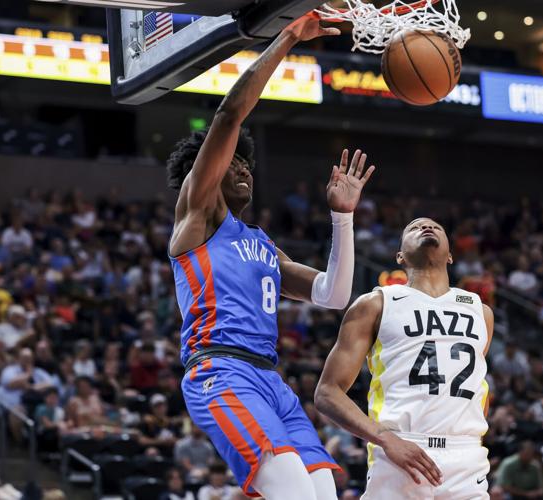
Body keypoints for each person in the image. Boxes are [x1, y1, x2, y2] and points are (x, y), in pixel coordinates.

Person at [167, 15, 372, 500]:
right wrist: (289, 38)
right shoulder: (196, 219)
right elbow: (228, 117)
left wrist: (341, 217)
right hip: (221, 370)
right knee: (296, 494)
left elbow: (333, 294)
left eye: (247, 164)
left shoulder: (261, 244)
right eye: (233, 161)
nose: (243, 167)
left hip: (270, 381)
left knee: (322, 493)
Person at [315, 217, 494, 499]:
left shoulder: (480, 311)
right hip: (401, 450)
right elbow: (327, 392)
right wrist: (385, 438)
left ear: (450, 255)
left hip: (467, 457)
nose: (427, 227)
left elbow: (474, 389)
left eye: (437, 226)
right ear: (400, 256)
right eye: (414, 227)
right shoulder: (375, 303)